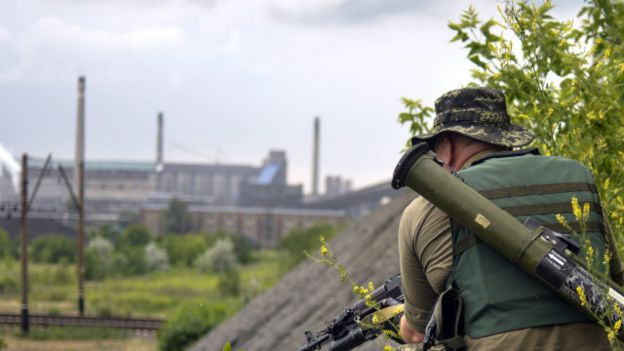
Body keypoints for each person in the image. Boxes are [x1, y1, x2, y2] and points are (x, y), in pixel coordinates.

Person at [398, 87, 624, 350]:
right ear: (508, 139)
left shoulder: (426, 209)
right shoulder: (578, 179)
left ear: (446, 148)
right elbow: (615, 281)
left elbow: (416, 333)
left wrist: (397, 318)